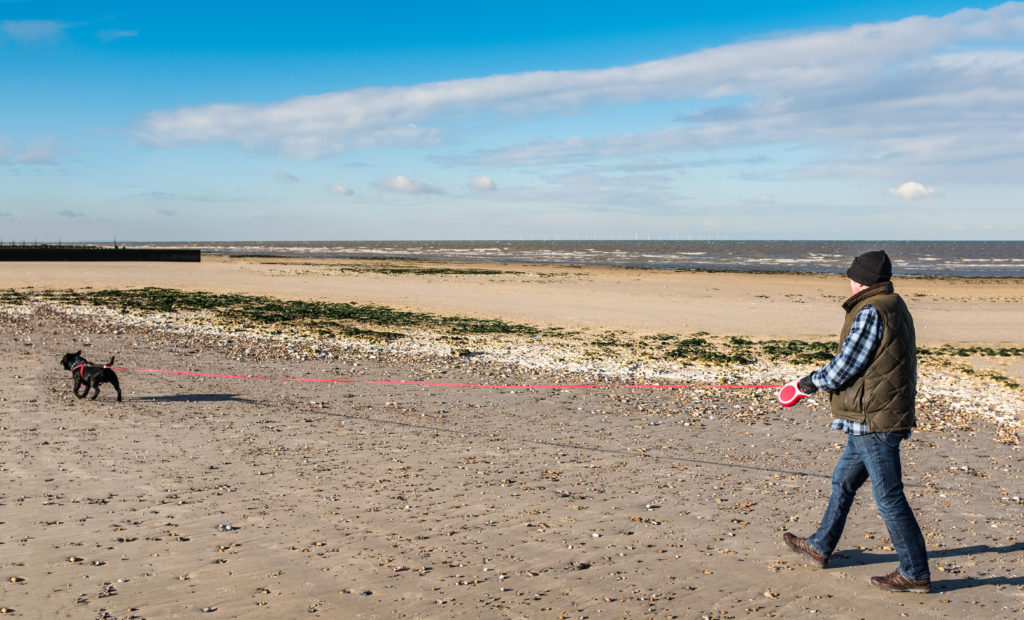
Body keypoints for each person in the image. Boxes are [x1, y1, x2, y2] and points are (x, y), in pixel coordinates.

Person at [782, 250, 931, 593]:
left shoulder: (871, 310)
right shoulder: (894, 303)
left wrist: (806, 384)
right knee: (843, 481)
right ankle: (820, 546)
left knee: (889, 497)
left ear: (860, 279)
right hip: (877, 413)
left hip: (873, 419)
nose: (849, 281)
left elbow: (846, 366)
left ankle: (915, 571)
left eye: (851, 275)